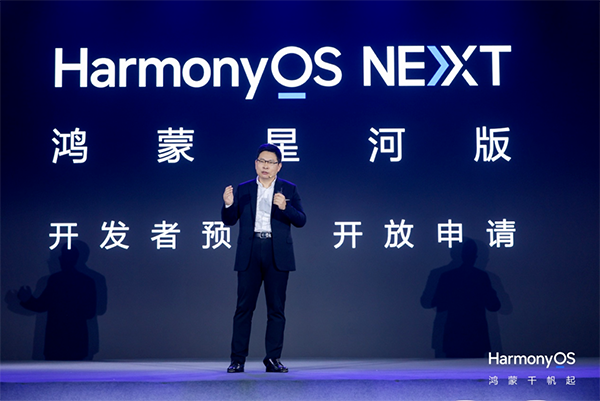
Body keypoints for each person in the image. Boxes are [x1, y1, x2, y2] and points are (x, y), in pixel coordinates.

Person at [222, 144, 306, 373]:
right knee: (243, 308)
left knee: (276, 309)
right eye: (262, 161)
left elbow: (301, 220)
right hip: (250, 251)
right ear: (256, 164)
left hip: (276, 252)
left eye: (270, 162)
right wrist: (228, 204)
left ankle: (273, 359)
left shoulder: (289, 189)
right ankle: (237, 360)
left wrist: (285, 207)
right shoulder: (244, 189)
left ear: (279, 166)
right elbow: (229, 220)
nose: (265, 166)